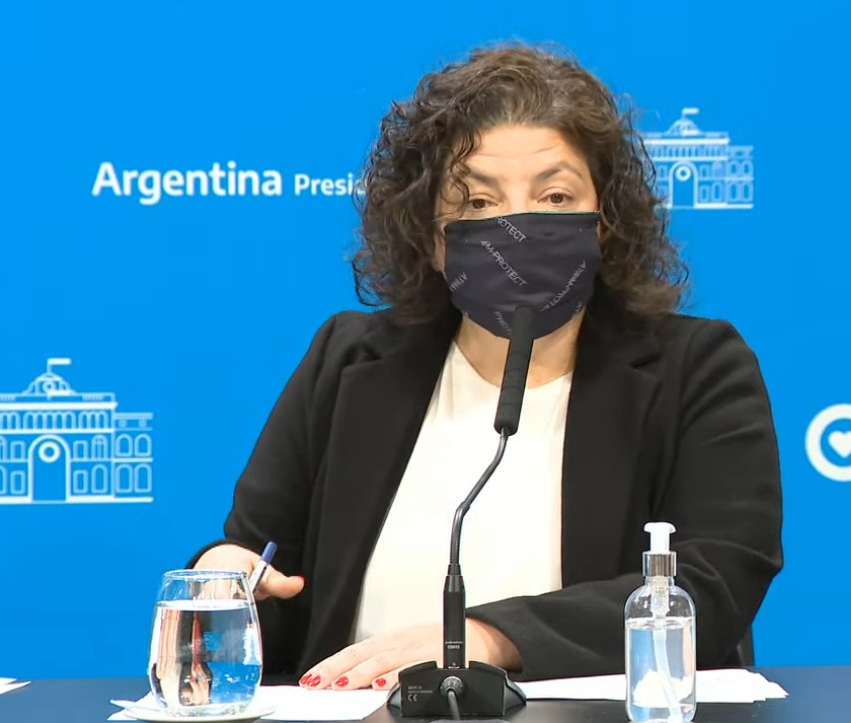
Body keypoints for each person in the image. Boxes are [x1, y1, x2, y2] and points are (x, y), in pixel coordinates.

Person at [190, 41, 783, 692]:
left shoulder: (696, 369)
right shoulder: (347, 361)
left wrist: (484, 636)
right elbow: (268, 573)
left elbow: (711, 587)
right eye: (475, 202)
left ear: (605, 222)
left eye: (554, 196)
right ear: (428, 232)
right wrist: (227, 578)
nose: (517, 226)